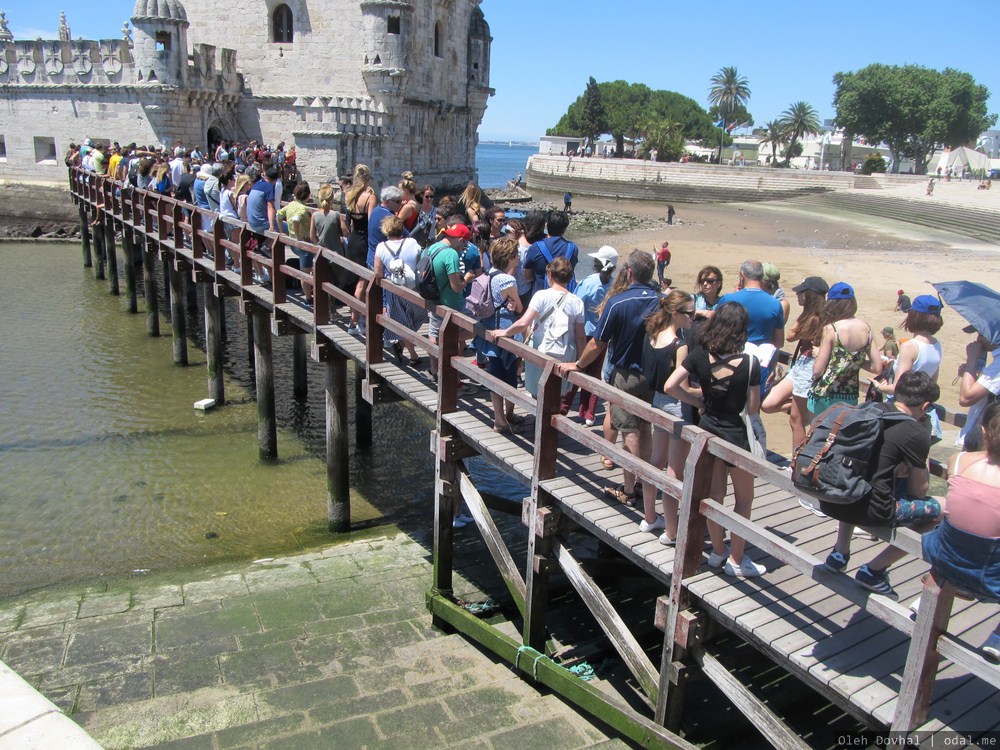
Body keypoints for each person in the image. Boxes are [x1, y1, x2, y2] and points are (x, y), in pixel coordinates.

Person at [665, 302, 766, 577]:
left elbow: (671, 386)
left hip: (708, 428)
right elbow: (753, 408)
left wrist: (697, 399)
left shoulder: (700, 354)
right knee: (744, 500)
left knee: (714, 495)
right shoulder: (750, 362)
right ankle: (736, 560)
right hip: (735, 435)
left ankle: (718, 551)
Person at [821, 372, 943, 597]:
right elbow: (920, 491)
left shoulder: (866, 409)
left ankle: (839, 553)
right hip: (875, 511)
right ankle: (875, 569)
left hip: (834, 498)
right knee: (942, 511)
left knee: (858, 476)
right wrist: (923, 444)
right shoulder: (915, 432)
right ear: (926, 406)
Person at [557, 251, 660, 507]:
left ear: (629, 273)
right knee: (645, 427)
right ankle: (642, 480)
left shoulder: (618, 302)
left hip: (625, 374)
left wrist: (579, 364)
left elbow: (598, 343)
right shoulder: (661, 301)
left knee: (628, 431)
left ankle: (629, 487)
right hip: (653, 374)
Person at [922, 402, 1000, 662]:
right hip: (988, 577)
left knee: (949, 516)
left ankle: (927, 600)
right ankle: (998, 638)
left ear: (983, 431)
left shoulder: (959, 461)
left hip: (945, 559)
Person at [640, 290, 694, 544]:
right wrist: (698, 395)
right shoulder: (679, 345)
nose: (692, 318)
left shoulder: (652, 336)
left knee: (655, 461)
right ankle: (671, 532)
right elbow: (679, 385)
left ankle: (650, 517)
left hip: (657, 403)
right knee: (674, 470)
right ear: (676, 313)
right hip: (676, 407)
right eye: (689, 313)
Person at [497, 257, 585, 399]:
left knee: (538, 391)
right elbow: (580, 336)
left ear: (550, 275)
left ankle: (538, 420)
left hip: (540, 349)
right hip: (565, 351)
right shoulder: (577, 302)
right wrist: (580, 362)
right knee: (557, 394)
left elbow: (524, 323)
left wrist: (505, 332)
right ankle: (549, 420)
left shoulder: (541, 296)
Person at [761, 276, 828, 450]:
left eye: (801, 293)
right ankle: (804, 409)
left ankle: (797, 460)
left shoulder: (816, 317)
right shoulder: (812, 315)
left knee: (795, 421)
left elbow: (791, 335)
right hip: (800, 365)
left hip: (808, 367)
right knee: (768, 404)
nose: (797, 296)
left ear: (810, 296)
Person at [561, 245, 618, 425]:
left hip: (584, 332)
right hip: (603, 335)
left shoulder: (589, 281)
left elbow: (576, 303)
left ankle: (563, 407)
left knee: (576, 368)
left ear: (596, 263)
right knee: (594, 374)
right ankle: (588, 413)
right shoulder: (615, 284)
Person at [809, 282, 882, 416]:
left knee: (820, 432)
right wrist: (854, 361)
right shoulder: (867, 329)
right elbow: (876, 368)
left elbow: (818, 370)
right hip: (849, 395)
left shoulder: (831, 329)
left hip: (826, 393)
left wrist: (818, 354)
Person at [477, 238, 525, 432]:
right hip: (505, 333)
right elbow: (519, 307)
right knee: (510, 374)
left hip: (489, 329)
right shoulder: (508, 279)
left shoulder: (490, 274)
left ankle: (501, 417)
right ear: (511, 258)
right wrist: (515, 305)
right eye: (516, 255)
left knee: (495, 373)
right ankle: (504, 418)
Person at [372, 215, 423, 365]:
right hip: (414, 289)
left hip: (394, 289)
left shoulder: (381, 247)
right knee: (419, 316)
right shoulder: (413, 242)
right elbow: (420, 265)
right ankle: (413, 354)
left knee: (402, 322)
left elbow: (378, 273)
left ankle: (401, 342)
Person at [426, 223, 472, 382]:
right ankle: (451, 379)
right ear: (460, 240)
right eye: (465, 243)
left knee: (433, 334)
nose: (464, 247)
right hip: (451, 303)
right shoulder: (451, 254)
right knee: (477, 328)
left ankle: (435, 372)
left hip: (433, 299)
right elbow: (455, 286)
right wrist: (466, 280)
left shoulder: (432, 248)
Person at [343, 164, 377, 333]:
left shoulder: (349, 195)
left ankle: (356, 318)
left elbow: (348, 223)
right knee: (362, 282)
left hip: (353, 239)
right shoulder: (370, 198)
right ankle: (354, 321)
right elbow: (371, 222)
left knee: (353, 279)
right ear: (367, 179)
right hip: (364, 239)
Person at [956, 325, 1000, 450]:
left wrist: (972, 360)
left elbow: (966, 398)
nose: (978, 339)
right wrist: (970, 375)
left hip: (983, 442)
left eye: (982, 334)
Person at [522, 211, 578, 295]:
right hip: (564, 297)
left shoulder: (535, 247)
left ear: (547, 226)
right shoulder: (573, 248)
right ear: (564, 229)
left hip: (540, 296)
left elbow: (527, 276)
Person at [310, 182, 346, 310]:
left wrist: (318, 244)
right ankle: (332, 309)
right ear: (332, 199)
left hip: (321, 252)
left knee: (323, 281)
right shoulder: (336, 215)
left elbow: (312, 236)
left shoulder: (315, 215)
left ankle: (326, 309)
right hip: (336, 253)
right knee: (335, 283)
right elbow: (345, 232)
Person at [277, 182, 313, 299]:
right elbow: (296, 219)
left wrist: (282, 230)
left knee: (307, 269)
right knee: (305, 273)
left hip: (293, 243)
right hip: (303, 243)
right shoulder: (302, 208)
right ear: (307, 196)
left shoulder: (291, 204)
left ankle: (309, 292)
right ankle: (308, 298)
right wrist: (299, 237)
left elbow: (279, 214)